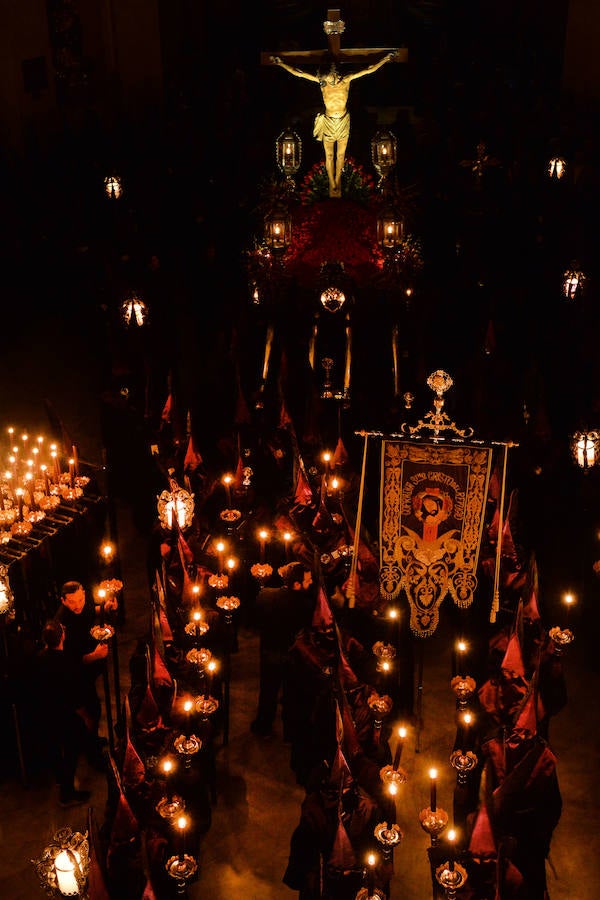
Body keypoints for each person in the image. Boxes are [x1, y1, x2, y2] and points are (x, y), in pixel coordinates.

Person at [271, 51, 398, 197]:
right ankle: (332, 182)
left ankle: (337, 179)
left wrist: (384, 60)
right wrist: (281, 64)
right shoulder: (322, 82)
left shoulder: (346, 80)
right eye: (329, 74)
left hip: (343, 120)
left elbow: (368, 70)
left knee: (341, 154)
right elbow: (299, 73)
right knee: (329, 155)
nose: (332, 77)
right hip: (329, 121)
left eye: (333, 74)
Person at [54, 580, 117, 764]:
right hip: (74, 677)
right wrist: (95, 656)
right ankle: (93, 754)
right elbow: (71, 661)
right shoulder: (62, 624)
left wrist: (105, 607)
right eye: (72, 602)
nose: (78, 605)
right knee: (91, 712)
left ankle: (93, 740)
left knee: (94, 708)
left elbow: (91, 611)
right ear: (63, 601)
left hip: (86, 672)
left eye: (81, 599)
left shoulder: (82, 607)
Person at [250, 561, 315, 738]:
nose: (311, 583)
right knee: (291, 694)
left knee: (268, 692)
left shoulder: (266, 595)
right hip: (291, 657)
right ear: (296, 584)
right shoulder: (307, 606)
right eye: (308, 581)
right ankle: (291, 730)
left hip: (269, 653)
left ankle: (263, 726)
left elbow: (256, 620)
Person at [35, 620, 92, 807]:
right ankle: (67, 794)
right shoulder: (66, 663)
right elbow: (74, 696)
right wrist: (84, 715)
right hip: (65, 716)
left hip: (45, 714)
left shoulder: (40, 658)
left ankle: (60, 779)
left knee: (55, 750)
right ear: (62, 638)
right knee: (71, 752)